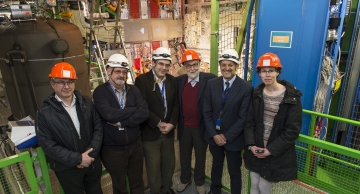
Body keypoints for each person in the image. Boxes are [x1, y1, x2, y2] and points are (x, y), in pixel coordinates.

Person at [36, 62, 103, 194]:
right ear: (52, 83)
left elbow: (98, 129)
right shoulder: (44, 113)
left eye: (70, 82)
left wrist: (89, 156)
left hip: (92, 163)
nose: (66, 86)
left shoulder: (86, 103)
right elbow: (47, 144)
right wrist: (78, 159)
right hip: (67, 169)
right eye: (61, 82)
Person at [244, 52, 302, 194]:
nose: (267, 74)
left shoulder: (291, 97)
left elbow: (292, 131)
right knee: (254, 184)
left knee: (264, 187)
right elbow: (249, 122)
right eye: (263, 71)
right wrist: (251, 145)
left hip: (273, 151)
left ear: (277, 72)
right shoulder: (257, 94)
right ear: (259, 73)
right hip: (256, 148)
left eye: (271, 70)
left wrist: (270, 151)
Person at [93, 54, 149, 194]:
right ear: (108, 71)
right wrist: (133, 109)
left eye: (124, 72)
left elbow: (144, 112)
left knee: (137, 181)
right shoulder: (100, 92)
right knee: (119, 185)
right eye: (117, 71)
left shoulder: (134, 90)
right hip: (113, 150)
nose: (121, 75)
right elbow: (109, 115)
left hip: (135, 146)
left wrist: (124, 122)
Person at [203, 49, 253, 194]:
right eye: (223, 65)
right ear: (220, 65)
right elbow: (206, 112)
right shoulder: (212, 84)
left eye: (230, 65)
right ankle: (215, 190)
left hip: (233, 139)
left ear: (236, 66)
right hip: (214, 136)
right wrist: (214, 134)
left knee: (234, 170)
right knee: (216, 166)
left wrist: (226, 136)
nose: (226, 68)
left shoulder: (245, 88)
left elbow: (244, 117)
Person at [135, 47, 179, 194]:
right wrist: (158, 123)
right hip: (151, 132)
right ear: (153, 62)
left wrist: (171, 124)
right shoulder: (142, 80)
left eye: (167, 65)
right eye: (161, 64)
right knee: (153, 167)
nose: (164, 68)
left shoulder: (172, 81)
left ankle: (166, 188)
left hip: (168, 132)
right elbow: (142, 107)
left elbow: (176, 105)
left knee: (169, 164)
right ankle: (156, 191)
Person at [175, 50, 216, 194]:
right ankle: (185, 179)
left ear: (199, 64)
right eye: (188, 66)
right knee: (184, 156)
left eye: (194, 65)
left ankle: (199, 182)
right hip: (184, 127)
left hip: (201, 128)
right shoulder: (179, 81)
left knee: (201, 156)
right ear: (184, 67)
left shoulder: (210, 79)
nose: (192, 68)